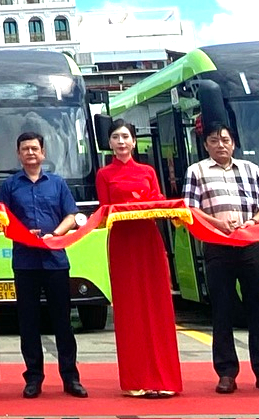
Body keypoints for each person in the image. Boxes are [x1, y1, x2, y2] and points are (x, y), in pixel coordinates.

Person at [182, 122, 259, 395]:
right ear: (205, 145)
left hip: (250, 243)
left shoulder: (250, 169)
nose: (221, 145)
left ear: (233, 143)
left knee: (258, 308)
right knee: (222, 311)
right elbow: (190, 208)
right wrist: (217, 224)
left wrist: (253, 221)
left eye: (226, 140)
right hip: (217, 245)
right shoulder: (196, 171)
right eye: (214, 141)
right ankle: (226, 373)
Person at [95, 120, 183, 398]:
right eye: (115, 137)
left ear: (134, 142)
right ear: (109, 143)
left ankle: (164, 379)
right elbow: (105, 210)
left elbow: (158, 199)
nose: (121, 142)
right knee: (129, 309)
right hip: (123, 243)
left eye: (125, 137)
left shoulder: (148, 171)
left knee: (158, 306)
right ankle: (137, 379)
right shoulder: (104, 174)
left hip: (148, 240)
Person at [0, 132, 87, 399]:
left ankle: (70, 378)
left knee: (63, 322)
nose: (30, 153)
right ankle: (33, 378)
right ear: (18, 154)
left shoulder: (57, 183)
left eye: (34, 148)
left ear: (43, 153)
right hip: (25, 263)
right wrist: (24, 234)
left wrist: (55, 235)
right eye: (25, 149)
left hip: (55, 261)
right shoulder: (10, 185)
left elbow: (72, 215)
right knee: (28, 323)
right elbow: (2, 220)